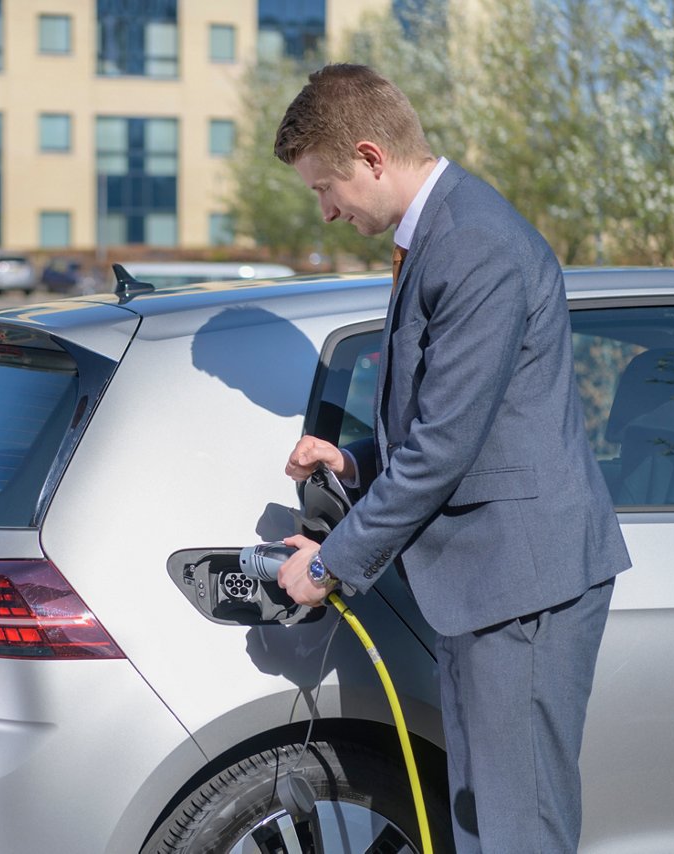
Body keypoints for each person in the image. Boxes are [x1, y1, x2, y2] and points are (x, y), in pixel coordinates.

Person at [270, 64, 630, 853]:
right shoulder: (439, 232)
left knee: (516, 830)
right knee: (485, 820)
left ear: (370, 156)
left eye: (325, 188)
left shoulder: (470, 241)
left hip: (522, 584)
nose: (327, 211)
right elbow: (459, 422)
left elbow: (444, 448)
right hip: (493, 586)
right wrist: (356, 460)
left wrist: (329, 566)